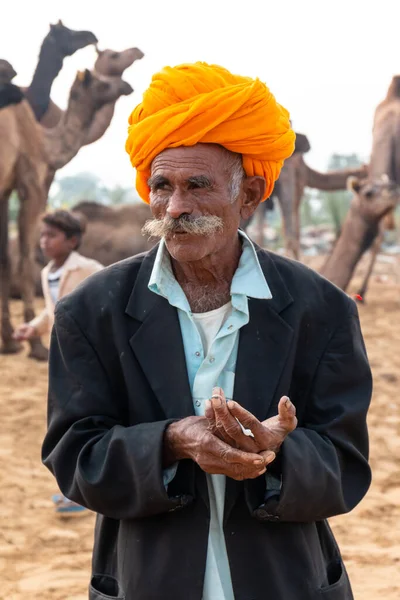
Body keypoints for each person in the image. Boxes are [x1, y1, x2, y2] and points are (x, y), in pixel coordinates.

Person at [42, 63, 372, 599]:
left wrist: (274, 454)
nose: (176, 208)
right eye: (162, 186)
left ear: (251, 193)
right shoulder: (90, 312)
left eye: (198, 185)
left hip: (286, 582)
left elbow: (346, 466)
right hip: (147, 581)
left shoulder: (322, 310)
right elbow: (75, 458)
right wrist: (171, 442)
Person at [14, 209, 103, 517]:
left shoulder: (90, 270)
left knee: (82, 423)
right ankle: (73, 489)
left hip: (88, 359)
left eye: (51, 236)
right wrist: (34, 328)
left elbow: (107, 304)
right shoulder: (48, 271)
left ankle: (82, 495)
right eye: (42, 235)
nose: (44, 242)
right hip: (62, 358)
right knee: (64, 423)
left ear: (73, 240)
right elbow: (53, 311)